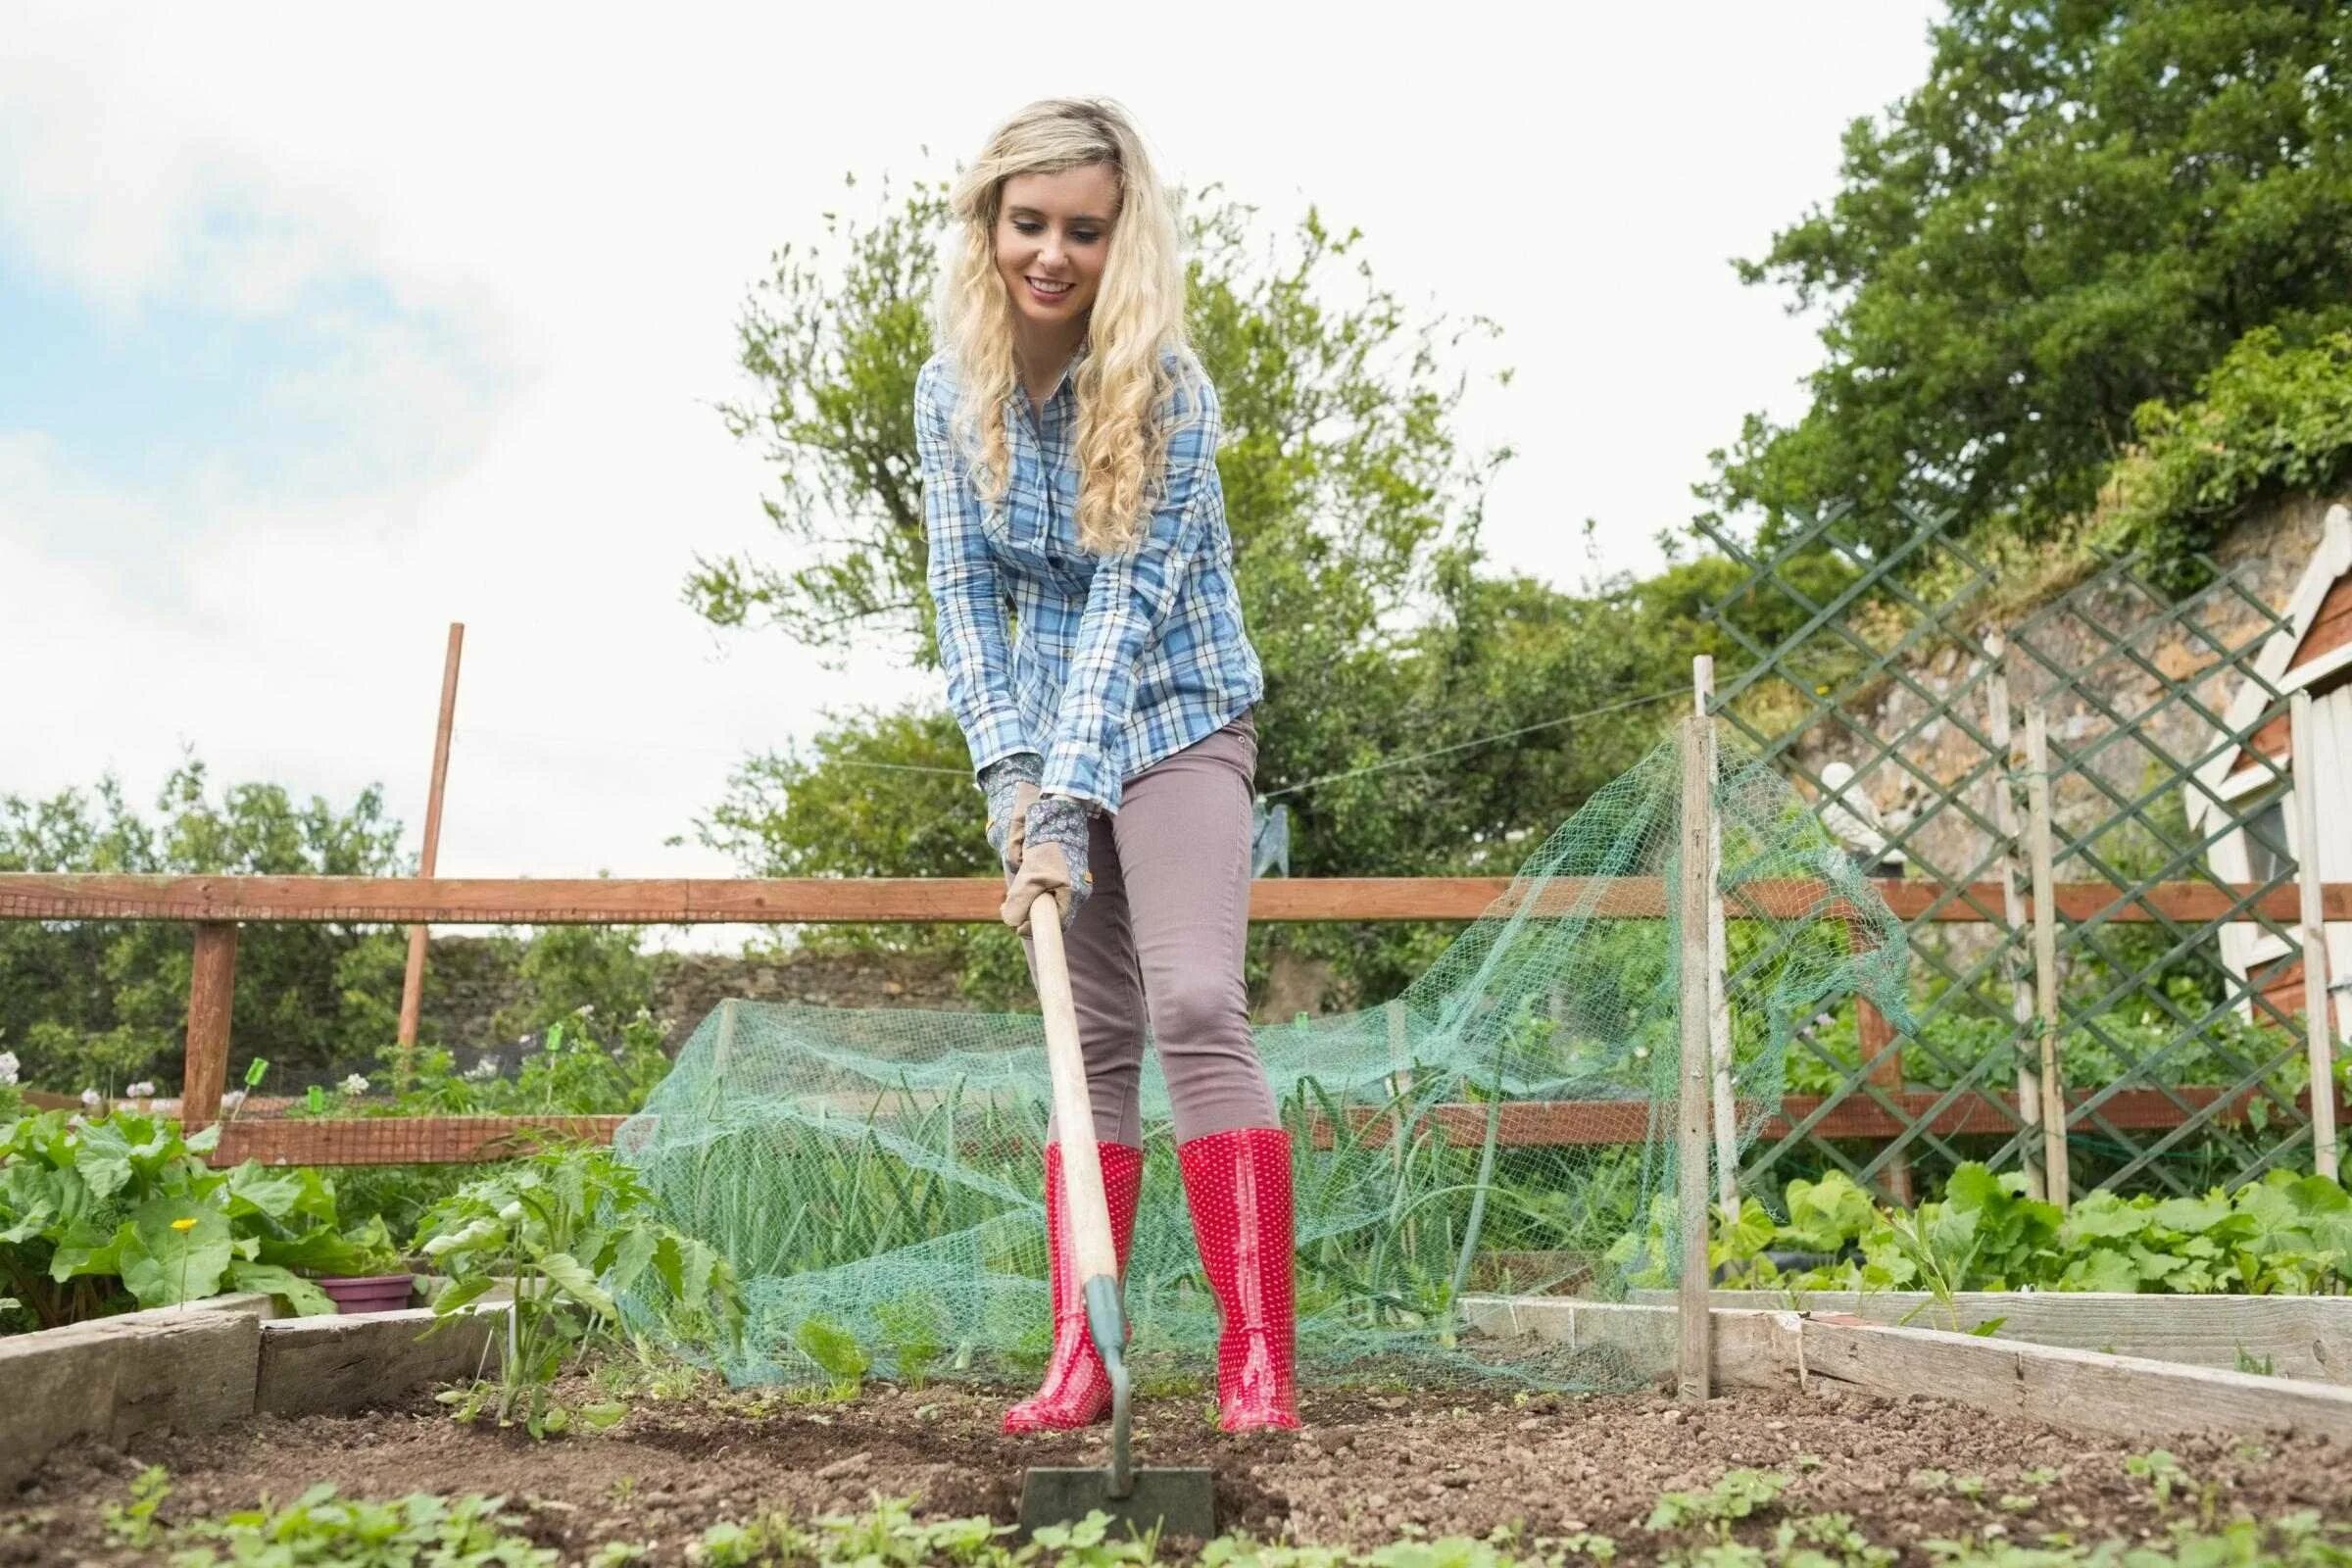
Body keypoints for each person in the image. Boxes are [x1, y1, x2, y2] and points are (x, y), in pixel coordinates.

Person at [913, 97, 1298, 1436]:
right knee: (1090, 1039)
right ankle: (1085, 1355)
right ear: (991, 225)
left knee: (1194, 1005)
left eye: (1085, 228)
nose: (1054, 253)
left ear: (1120, 238)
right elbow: (967, 606)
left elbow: (1123, 619)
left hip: (1182, 716)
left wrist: (1069, 806)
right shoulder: (951, 395)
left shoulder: (1168, 393)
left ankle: (1257, 1360)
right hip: (1047, 737)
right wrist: (1012, 789)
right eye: (1031, 224)